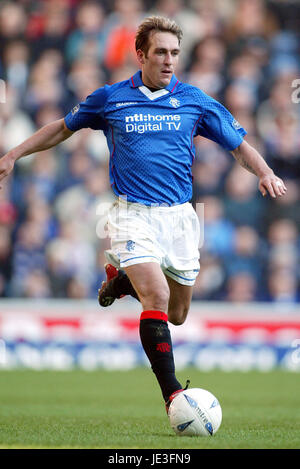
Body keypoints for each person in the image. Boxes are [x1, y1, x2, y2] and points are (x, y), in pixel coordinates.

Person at [0, 16, 287, 413]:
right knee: (158, 294)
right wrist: (14, 153)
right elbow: (63, 129)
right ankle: (173, 396)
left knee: (178, 313)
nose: (169, 61)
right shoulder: (111, 98)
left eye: (174, 53)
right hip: (131, 214)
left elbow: (239, 146)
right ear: (141, 55)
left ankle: (122, 284)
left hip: (180, 217)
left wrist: (265, 172)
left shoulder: (194, 100)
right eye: (161, 53)